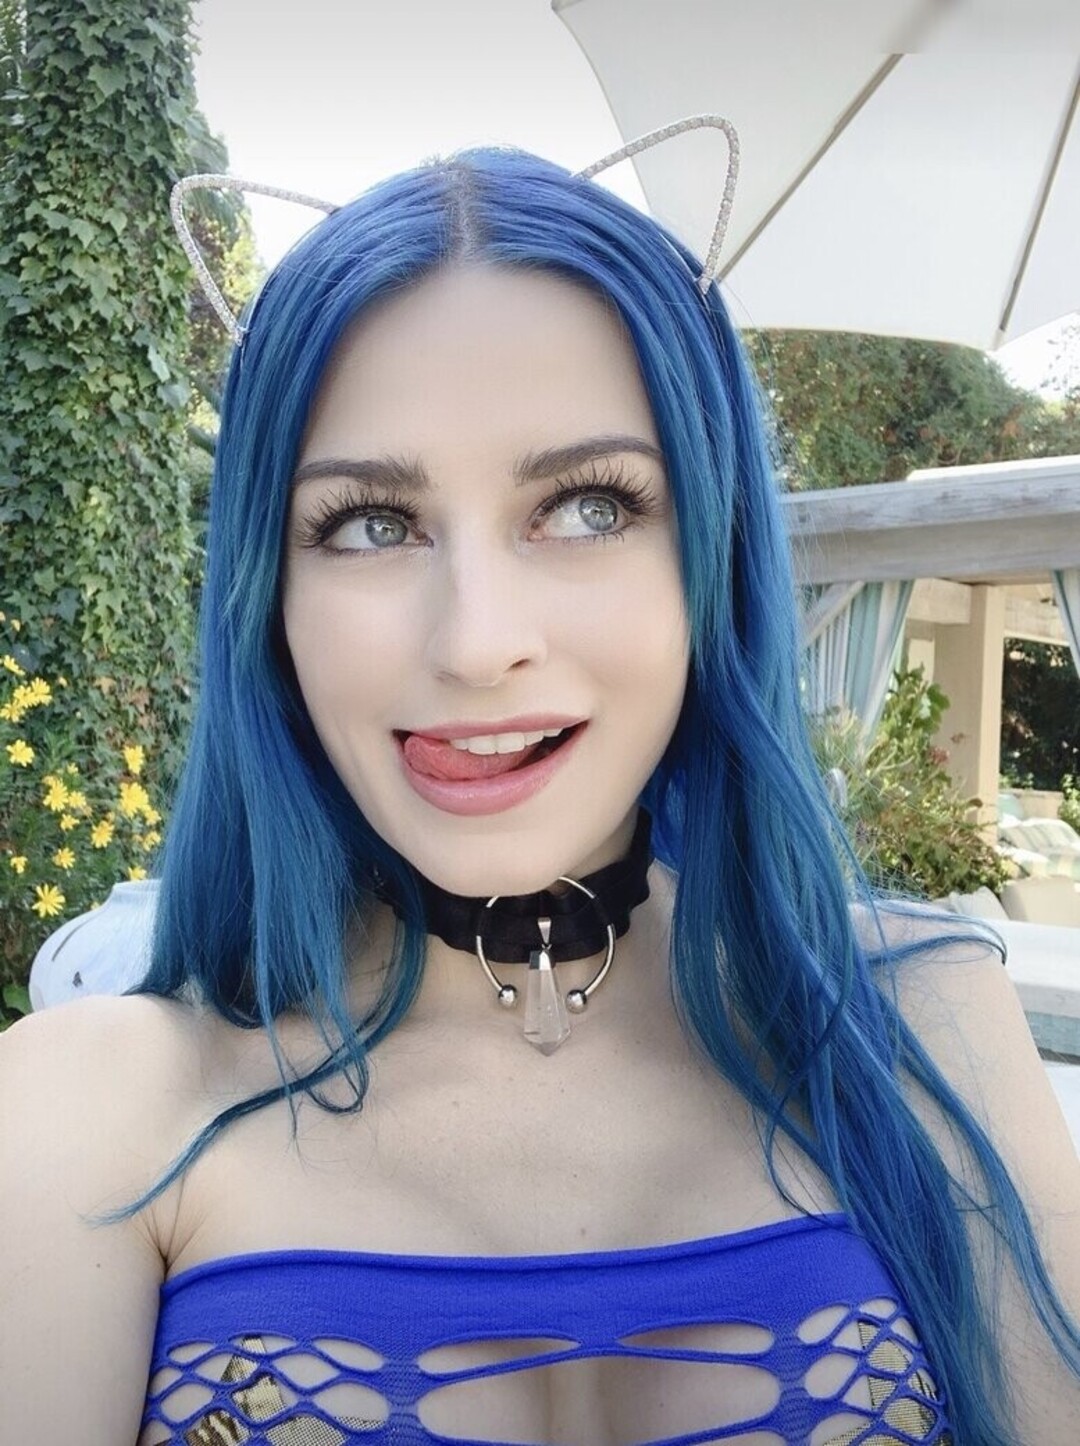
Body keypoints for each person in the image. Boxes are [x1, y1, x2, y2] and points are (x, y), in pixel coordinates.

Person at [2, 142, 1078, 1446]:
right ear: (268, 599)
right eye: (370, 524)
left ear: (713, 552)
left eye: (585, 507)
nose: (477, 643)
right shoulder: (84, 1114)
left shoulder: (924, 1028)